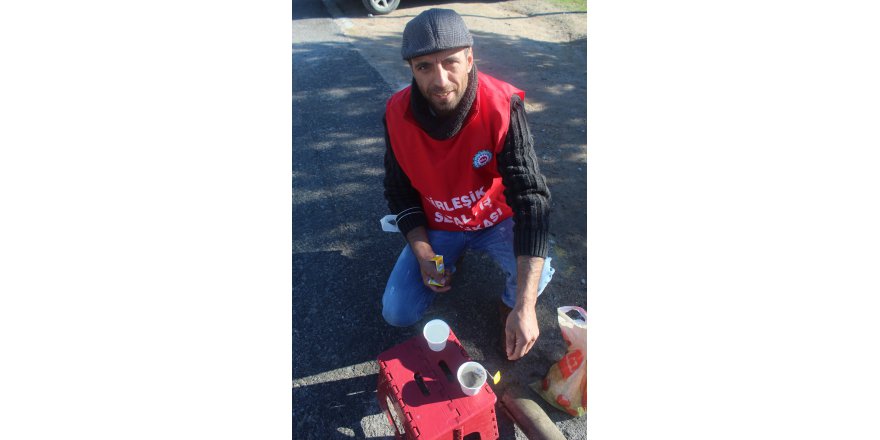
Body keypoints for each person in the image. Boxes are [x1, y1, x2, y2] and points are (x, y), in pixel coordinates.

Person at [381, 8, 552, 361]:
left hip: (495, 219)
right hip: (439, 224)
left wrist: (524, 305)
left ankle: (508, 307)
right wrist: (424, 254)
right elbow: (399, 192)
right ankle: (449, 257)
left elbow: (530, 198)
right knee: (397, 312)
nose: (440, 80)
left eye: (451, 62)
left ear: (470, 59)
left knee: (541, 272)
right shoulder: (396, 114)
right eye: (424, 67)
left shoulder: (502, 105)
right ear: (411, 69)